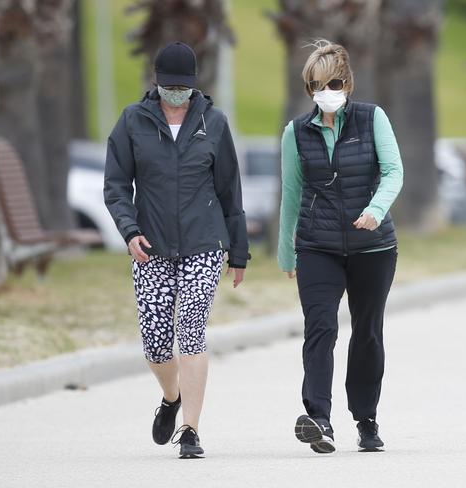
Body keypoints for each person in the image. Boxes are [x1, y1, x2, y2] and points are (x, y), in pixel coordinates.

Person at [104, 41, 250, 459]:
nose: (175, 93)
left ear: (193, 85)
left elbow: (229, 191)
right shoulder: (133, 120)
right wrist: (129, 231)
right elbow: (115, 185)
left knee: (191, 329)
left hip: (203, 242)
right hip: (149, 246)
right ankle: (171, 398)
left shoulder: (213, 123)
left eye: (182, 87)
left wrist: (237, 251)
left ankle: (191, 430)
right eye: (169, 86)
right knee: (155, 341)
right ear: (157, 82)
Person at [278, 40, 403, 454]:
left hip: (373, 248)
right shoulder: (296, 132)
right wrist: (286, 251)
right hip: (318, 246)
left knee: (367, 332)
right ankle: (319, 419)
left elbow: (393, 172)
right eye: (316, 84)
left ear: (347, 82)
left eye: (332, 82)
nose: (325, 90)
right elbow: (292, 193)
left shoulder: (372, 119)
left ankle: (366, 420)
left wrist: (376, 209)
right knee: (320, 328)